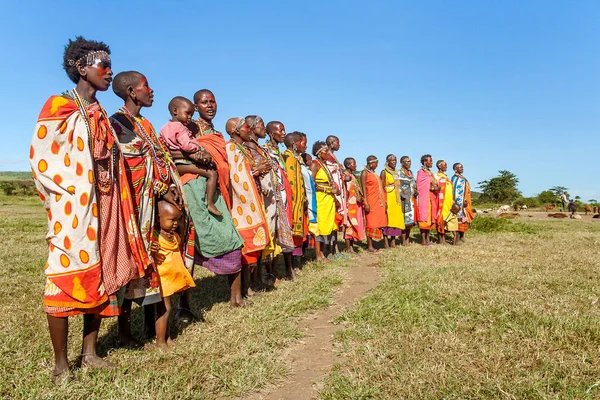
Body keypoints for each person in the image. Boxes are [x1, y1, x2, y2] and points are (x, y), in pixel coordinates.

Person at [29, 37, 149, 382]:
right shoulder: (58, 107)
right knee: (66, 274)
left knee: (100, 271)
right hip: (74, 205)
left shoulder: (100, 113)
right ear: (82, 68)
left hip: (107, 202)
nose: (109, 72)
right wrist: (75, 187)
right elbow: (42, 157)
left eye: (111, 67)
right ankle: (61, 365)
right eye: (103, 66)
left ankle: (90, 352)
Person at [110, 71, 190, 345]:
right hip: (132, 210)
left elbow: (158, 160)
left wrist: (168, 189)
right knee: (132, 268)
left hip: (154, 209)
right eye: (146, 86)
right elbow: (126, 168)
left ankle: (150, 327)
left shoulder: (145, 123)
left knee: (154, 270)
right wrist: (160, 188)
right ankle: (123, 331)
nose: (151, 90)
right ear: (132, 92)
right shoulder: (117, 124)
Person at [174, 90, 245, 307]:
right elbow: (173, 151)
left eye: (213, 101)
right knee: (190, 243)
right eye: (204, 102)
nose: (210, 105)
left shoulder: (215, 132)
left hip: (214, 191)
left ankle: (236, 297)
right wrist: (198, 156)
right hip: (194, 189)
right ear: (196, 107)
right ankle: (183, 306)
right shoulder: (188, 127)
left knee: (231, 238)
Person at [225, 117, 270, 294]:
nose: (248, 130)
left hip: (251, 202)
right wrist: (256, 171)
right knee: (245, 248)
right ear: (236, 131)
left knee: (253, 249)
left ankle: (250, 285)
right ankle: (244, 288)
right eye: (245, 127)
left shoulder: (242, 148)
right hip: (240, 205)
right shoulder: (230, 147)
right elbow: (235, 174)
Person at [159, 96, 221, 216]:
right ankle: (210, 203)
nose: (189, 118)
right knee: (212, 172)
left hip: (175, 165)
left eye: (191, 115)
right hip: (184, 163)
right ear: (175, 111)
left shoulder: (164, 128)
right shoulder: (180, 128)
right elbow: (187, 145)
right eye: (187, 114)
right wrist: (197, 148)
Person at [153, 201, 196, 349]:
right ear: (159, 219)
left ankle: (168, 337)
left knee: (167, 310)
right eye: (172, 220)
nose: (175, 223)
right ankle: (160, 341)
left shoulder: (173, 236)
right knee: (165, 309)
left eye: (177, 220)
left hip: (171, 280)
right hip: (162, 281)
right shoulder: (155, 238)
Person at [264, 121, 295, 278]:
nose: (283, 133)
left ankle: (288, 270)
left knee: (285, 231)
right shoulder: (265, 151)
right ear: (271, 133)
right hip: (272, 199)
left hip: (284, 198)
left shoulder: (279, 153)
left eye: (284, 130)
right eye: (280, 130)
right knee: (274, 234)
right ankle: (272, 273)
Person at [310, 141, 340, 260]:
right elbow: (311, 184)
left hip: (329, 200)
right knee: (320, 225)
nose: (328, 153)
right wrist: (327, 190)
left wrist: (335, 190)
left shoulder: (324, 165)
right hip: (320, 199)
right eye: (325, 151)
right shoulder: (315, 164)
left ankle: (325, 251)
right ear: (318, 153)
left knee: (328, 225)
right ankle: (318, 254)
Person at [283, 132, 308, 271]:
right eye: (303, 143)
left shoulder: (296, 158)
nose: (305, 146)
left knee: (298, 233)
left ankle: (297, 263)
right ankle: (290, 266)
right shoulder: (288, 157)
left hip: (299, 202)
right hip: (292, 203)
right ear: (295, 144)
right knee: (291, 233)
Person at [361, 155, 387, 253]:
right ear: (371, 163)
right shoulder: (364, 173)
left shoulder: (374, 174)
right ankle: (370, 246)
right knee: (370, 223)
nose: (377, 165)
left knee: (377, 222)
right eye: (376, 163)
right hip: (370, 201)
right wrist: (366, 203)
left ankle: (375, 244)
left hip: (378, 202)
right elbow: (363, 189)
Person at [381, 154, 405, 248]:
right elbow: (382, 187)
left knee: (395, 220)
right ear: (388, 162)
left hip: (396, 198)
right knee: (387, 219)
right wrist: (384, 200)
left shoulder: (396, 172)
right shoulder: (384, 172)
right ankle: (386, 242)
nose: (394, 162)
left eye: (395, 160)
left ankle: (393, 241)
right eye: (392, 161)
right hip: (388, 197)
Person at [343, 157, 366, 252]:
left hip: (356, 204)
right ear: (348, 165)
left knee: (354, 224)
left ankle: (351, 246)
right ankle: (348, 247)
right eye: (354, 164)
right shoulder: (345, 175)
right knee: (349, 225)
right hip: (350, 204)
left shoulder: (352, 176)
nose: (355, 165)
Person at [416, 154, 439, 245]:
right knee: (424, 217)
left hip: (431, 197)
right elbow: (420, 185)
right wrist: (433, 188)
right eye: (430, 161)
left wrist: (435, 188)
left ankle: (428, 239)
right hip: (424, 198)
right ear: (425, 162)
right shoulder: (421, 172)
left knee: (429, 218)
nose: (432, 162)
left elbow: (433, 183)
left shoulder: (430, 172)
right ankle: (423, 240)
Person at [434, 160, 459, 245]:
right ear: (439, 166)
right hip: (441, 202)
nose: (446, 167)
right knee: (442, 220)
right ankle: (442, 239)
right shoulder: (436, 176)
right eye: (445, 165)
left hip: (449, 202)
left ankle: (455, 238)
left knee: (451, 218)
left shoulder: (446, 177)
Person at [451, 163, 474, 242]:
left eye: (462, 167)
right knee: (458, 218)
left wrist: (465, 200)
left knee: (464, 218)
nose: (462, 168)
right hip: (457, 202)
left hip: (464, 201)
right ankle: (456, 237)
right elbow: (453, 191)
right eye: (460, 167)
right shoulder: (454, 178)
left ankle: (462, 236)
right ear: (455, 169)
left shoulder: (463, 178)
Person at [399, 156, 417, 245]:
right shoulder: (399, 173)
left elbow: (413, 184)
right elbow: (398, 186)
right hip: (403, 199)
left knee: (410, 220)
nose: (409, 163)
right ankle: (403, 240)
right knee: (403, 219)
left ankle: (407, 239)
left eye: (410, 161)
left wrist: (415, 190)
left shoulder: (410, 173)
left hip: (411, 199)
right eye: (407, 161)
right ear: (402, 163)